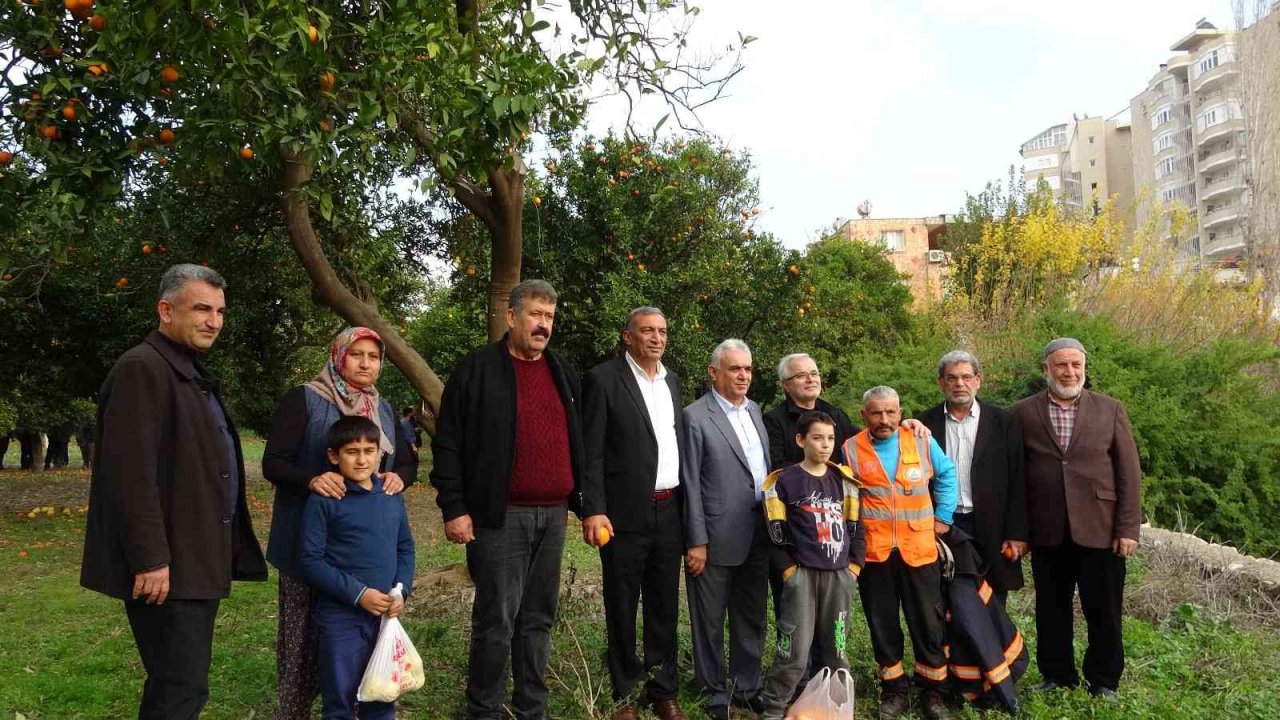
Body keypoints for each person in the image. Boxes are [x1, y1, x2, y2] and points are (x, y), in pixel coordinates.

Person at [80, 264, 268, 720]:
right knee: (179, 689)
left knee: (179, 685)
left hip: (195, 557)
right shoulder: (142, 369)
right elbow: (129, 474)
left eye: (220, 311)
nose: (214, 321)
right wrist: (150, 559)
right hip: (168, 568)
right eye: (201, 308)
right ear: (166, 310)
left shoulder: (183, 368)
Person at [430, 279, 585, 720]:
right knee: (496, 620)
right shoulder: (476, 370)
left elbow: (577, 441)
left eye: (550, 317)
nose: (543, 325)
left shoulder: (562, 371)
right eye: (535, 315)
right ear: (512, 316)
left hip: (554, 516)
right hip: (499, 517)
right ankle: (483, 709)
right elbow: (449, 443)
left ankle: (531, 708)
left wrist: (584, 501)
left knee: (538, 617)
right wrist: (454, 507)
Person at [263, 327, 416, 719]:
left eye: (374, 356)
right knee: (304, 645)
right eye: (357, 355)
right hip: (310, 539)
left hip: (363, 548)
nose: (366, 363)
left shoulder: (381, 408)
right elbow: (274, 462)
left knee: (361, 647)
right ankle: (300, 711)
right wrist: (310, 479)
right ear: (338, 356)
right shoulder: (307, 399)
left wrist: (400, 476)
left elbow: (403, 461)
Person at [1012, 338, 1142, 700]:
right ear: (1046, 370)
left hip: (1100, 528)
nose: (1069, 372)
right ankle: (1057, 674)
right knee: (1051, 609)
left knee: (1104, 610)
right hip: (1048, 530)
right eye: (1061, 365)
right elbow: (1016, 477)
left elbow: (1129, 473)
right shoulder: (1023, 412)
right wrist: (1019, 531)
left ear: (1084, 369)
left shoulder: (1110, 409)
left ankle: (1104, 680)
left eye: (1076, 365)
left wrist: (1127, 527)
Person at [580, 307, 688, 720]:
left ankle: (663, 690)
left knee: (663, 603)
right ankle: (625, 691)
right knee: (622, 603)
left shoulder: (672, 381)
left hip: (669, 508)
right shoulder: (603, 379)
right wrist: (594, 509)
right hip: (623, 514)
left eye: (662, 331)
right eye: (647, 331)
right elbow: (591, 450)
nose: (657, 338)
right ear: (628, 337)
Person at [842, 386, 957, 720]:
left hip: (919, 551)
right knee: (883, 625)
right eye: (876, 413)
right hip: (875, 555)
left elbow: (947, 474)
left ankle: (933, 691)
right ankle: (894, 690)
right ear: (864, 415)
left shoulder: (920, 440)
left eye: (891, 412)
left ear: (901, 412)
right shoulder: (850, 449)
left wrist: (943, 517)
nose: (884, 419)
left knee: (928, 623)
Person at [300, 415, 416, 720]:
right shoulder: (324, 500)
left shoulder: (391, 497)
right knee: (340, 697)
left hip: (384, 617)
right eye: (352, 452)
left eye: (369, 451)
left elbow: (405, 547)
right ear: (334, 456)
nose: (362, 459)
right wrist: (358, 593)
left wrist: (402, 589)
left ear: (380, 453)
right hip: (341, 618)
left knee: (381, 693)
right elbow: (311, 560)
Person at [682, 339, 771, 720]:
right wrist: (696, 539)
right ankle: (713, 689)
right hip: (715, 536)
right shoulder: (695, 416)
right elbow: (689, 482)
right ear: (714, 372)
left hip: (757, 531)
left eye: (748, 369)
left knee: (750, 615)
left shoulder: (754, 410)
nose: (744, 376)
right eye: (735, 369)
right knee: (709, 618)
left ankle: (746, 685)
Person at [757, 411, 866, 720]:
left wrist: (854, 568)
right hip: (802, 576)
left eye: (830, 438)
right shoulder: (783, 481)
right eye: (817, 438)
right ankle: (775, 709)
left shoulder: (844, 480)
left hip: (839, 576)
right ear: (800, 440)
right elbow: (771, 531)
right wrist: (789, 571)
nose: (825, 445)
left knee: (837, 647)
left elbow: (858, 527)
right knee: (793, 649)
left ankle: (834, 709)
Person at [917, 351, 1027, 603]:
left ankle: (995, 644)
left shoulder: (1003, 422)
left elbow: (1018, 479)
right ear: (941, 382)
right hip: (943, 523)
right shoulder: (925, 423)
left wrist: (1017, 533)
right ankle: (950, 644)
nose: (959, 384)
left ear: (978, 380)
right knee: (945, 595)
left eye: (966, 377)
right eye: (952, 378)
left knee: (993, 598)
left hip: (991, 523)